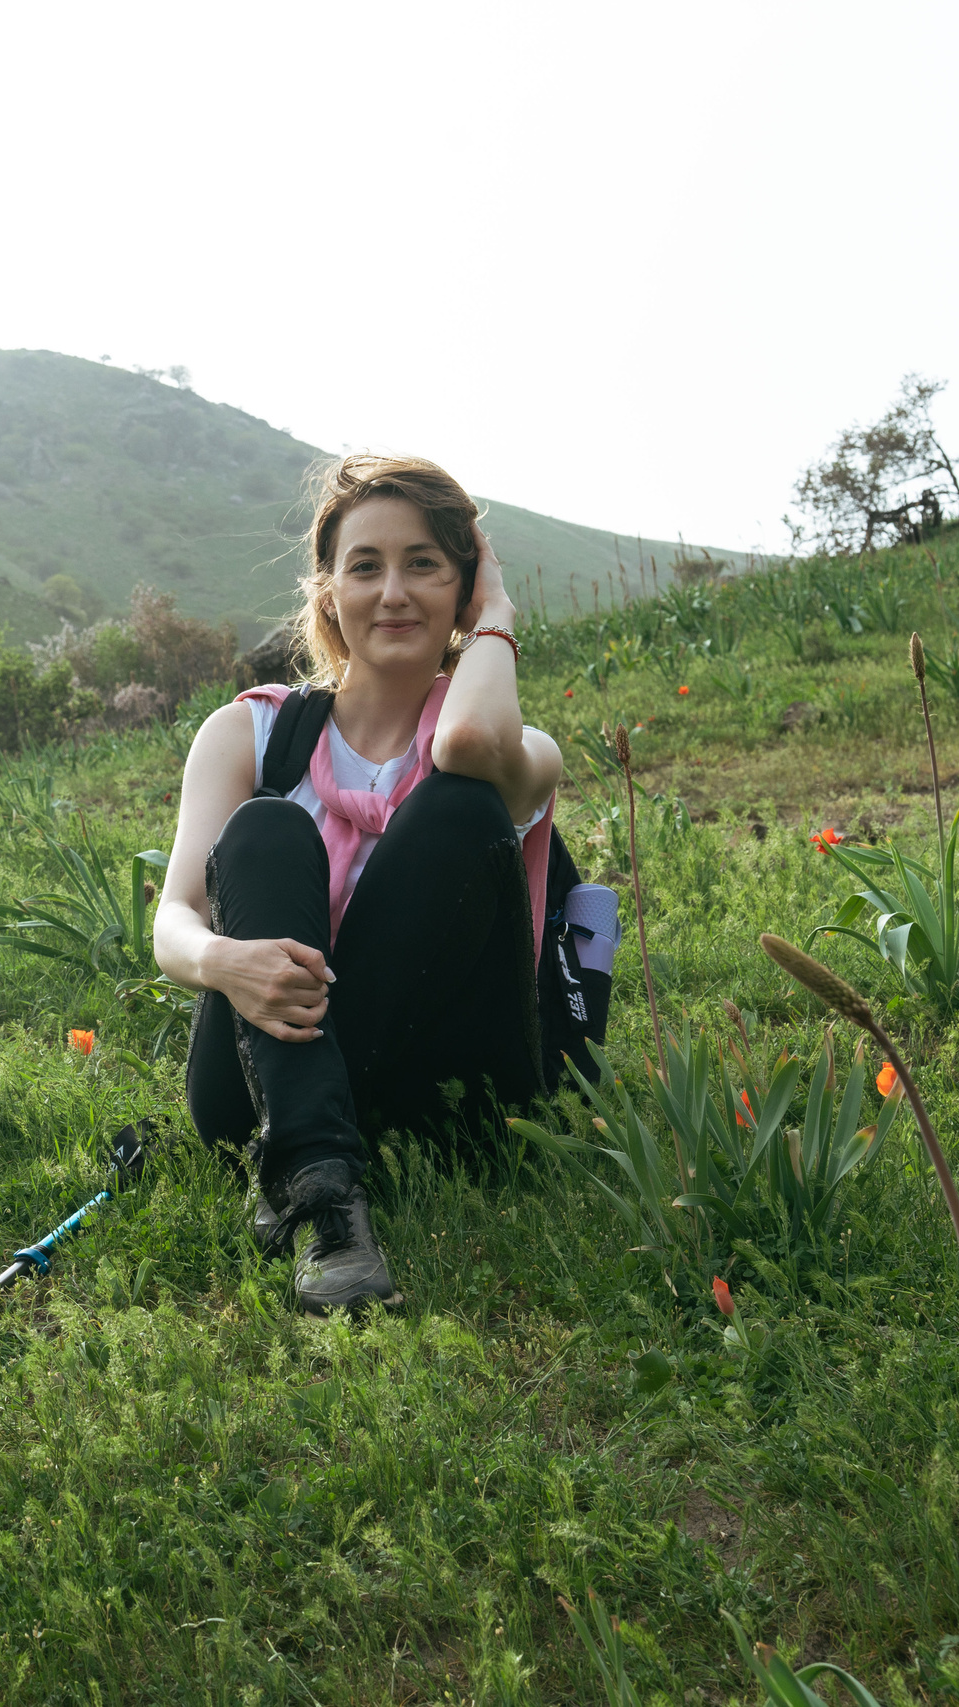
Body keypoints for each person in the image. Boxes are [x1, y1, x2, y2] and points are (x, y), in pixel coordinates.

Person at [151, 454, 563, 1314]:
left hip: (440, 1099)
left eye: (425, 564)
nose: (394, 593)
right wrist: (225, 963)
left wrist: (497, 619)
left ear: (464, 586)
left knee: (457, 805)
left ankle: (313, 1181)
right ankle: (322, 1195)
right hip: (259, 1085)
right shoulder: (249, 733)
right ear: (329, 593)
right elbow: (175, 920)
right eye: (366, 566)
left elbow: (468, 744)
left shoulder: (520, 751)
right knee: (264, 827)